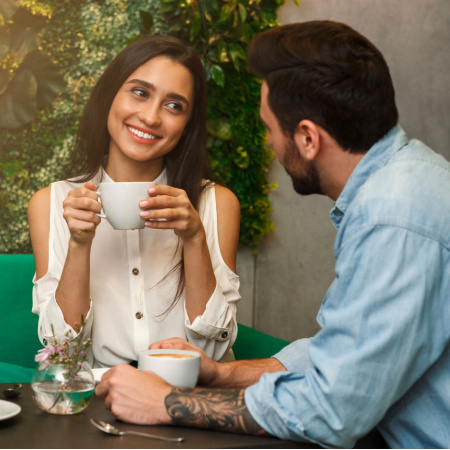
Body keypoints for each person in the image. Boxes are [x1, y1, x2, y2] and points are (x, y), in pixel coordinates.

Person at [95, 21, 450, 448]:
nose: (268, 146)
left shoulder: (393, 217)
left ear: (307, 138)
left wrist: (169, 402)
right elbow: (345, 357)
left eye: (267, 129)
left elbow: (332, 410)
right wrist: (222, 372)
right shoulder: (404, 183)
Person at [28, 35, 241, 368]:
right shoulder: (52, 202)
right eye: (140, 93)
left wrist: (194, 238)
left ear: (186, 125)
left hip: (189, 397)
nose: (152, 117)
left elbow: (212, 352)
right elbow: (63, 350)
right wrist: (79, 244)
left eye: (174, 106)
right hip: (102, 402)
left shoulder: (215, 203)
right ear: (109, 96)